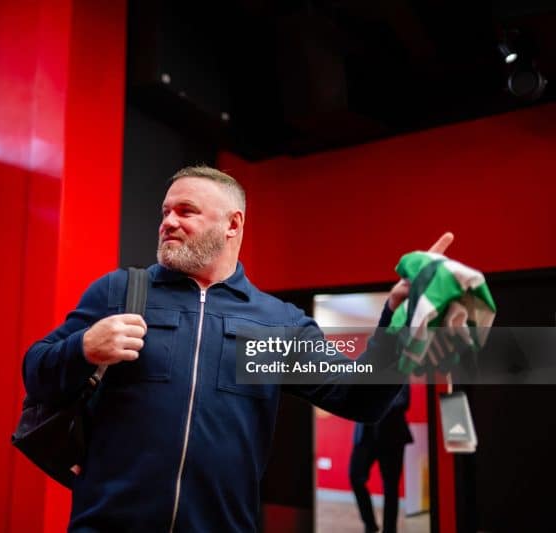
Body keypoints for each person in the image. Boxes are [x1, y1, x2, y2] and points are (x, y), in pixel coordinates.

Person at [23, 166, 453, 532]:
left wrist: (401, 316)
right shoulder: (119, 290)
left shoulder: (279, 323)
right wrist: (83, 348)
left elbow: (363, 398)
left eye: (186, 211)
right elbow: (35, 371)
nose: (168, 222)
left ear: (232, 224)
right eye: (165, 212)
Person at [350, 383, 413, 533]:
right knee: (355, 477)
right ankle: (370, 525)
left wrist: (374, 401)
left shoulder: (399, 372)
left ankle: (389, 530)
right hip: (365, 436)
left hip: (392, 437)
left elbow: (403, 401)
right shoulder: (365, 370)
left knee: (390, 488)